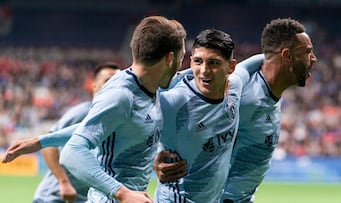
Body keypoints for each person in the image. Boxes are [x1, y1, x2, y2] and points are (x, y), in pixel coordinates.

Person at [2, 15, 187, 203]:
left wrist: (41, 141)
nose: (181, 65)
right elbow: (71, 153)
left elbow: (96, 125)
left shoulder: (147, 86)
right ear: (169, 58)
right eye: (181, 58)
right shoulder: (121, 95)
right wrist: (122, 193)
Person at [153, 18, 317, 203]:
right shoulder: (244, 96)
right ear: (287, 56)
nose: (314, 58)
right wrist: (156, 156)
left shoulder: (246, 86)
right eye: (308, 52)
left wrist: (272, 53)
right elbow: (157, 113)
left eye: (214, 63)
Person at [154, 28, 262, 202]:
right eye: (198, 61)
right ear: (190, 62)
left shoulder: (234, 86)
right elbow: (131, 122)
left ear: (231, 67)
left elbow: (253, 64)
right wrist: (152, 158)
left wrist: (280, 53)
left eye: (214, 63)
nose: (204, 70)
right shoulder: (173, 102)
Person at [33, 63, 120, 203]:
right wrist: (64, 182)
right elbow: (48, 144)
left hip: (84, 199)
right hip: (56, 197)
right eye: (107, 80)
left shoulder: (116, 119)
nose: (114, 85)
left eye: (118, 81)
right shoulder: (84, 112)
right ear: (94, 86)